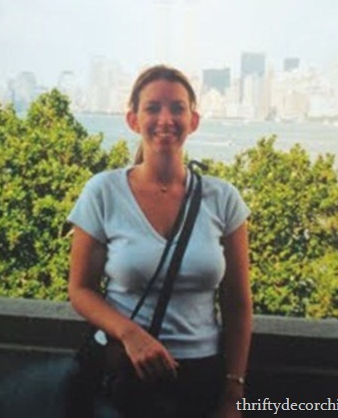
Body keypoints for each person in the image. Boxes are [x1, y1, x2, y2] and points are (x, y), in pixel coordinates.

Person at [67, 65, 252, 417]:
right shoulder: (103, 191)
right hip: (124, 369)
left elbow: (237, 302)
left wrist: (234, 389)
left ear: (193, 121)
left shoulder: (223, 198)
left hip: (201, 376)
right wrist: (130, 335)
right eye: (152, 108)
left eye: (177, 108)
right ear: (133, 120)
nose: (165, 119)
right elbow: (80, 289)